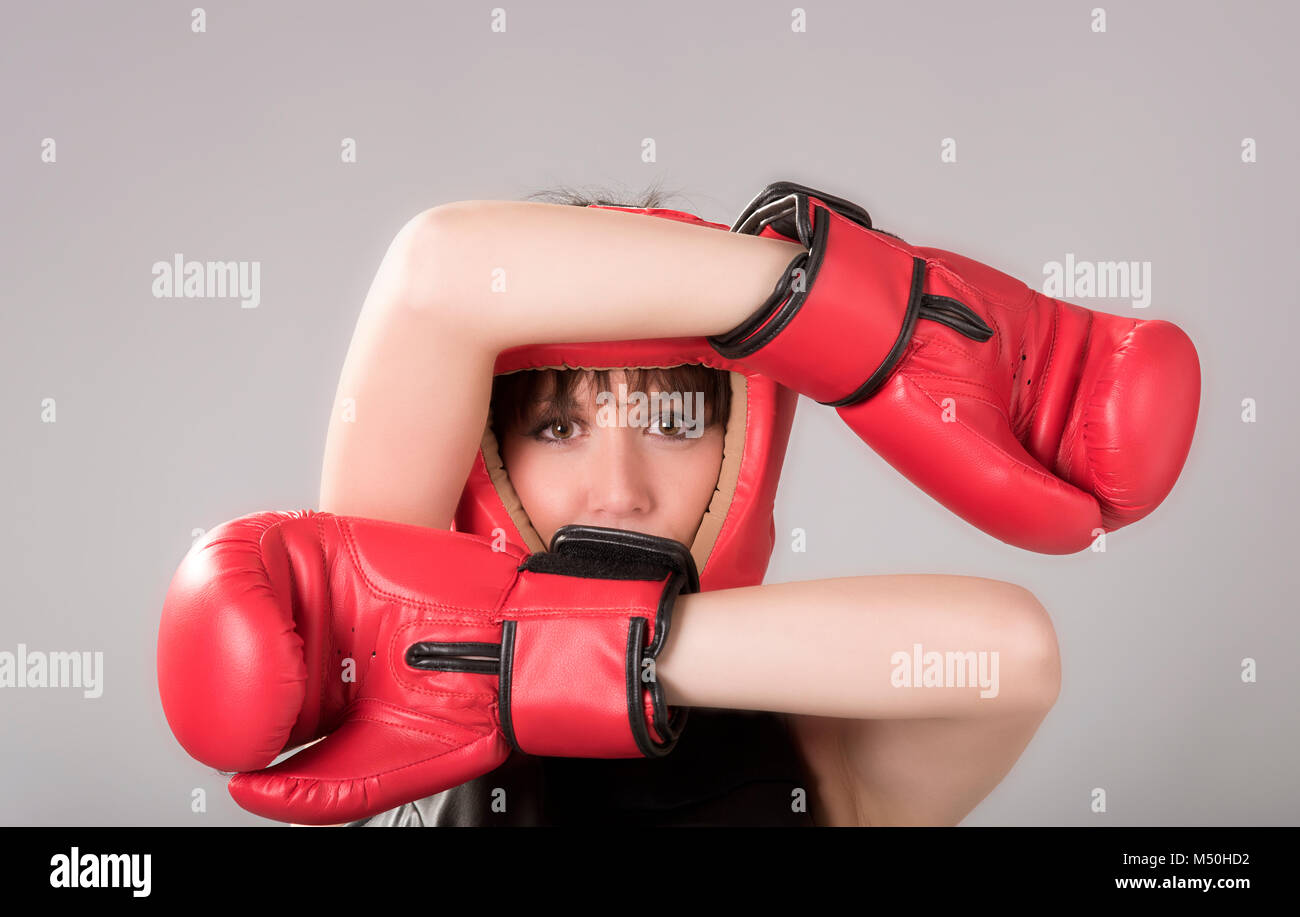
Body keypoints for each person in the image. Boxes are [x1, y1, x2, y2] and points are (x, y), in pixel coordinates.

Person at [317, 187, 1067, 826]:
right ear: (490, 455)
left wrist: (594, 651)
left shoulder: (824, 754)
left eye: (673, 423)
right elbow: (437, 271)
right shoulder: (398, 682)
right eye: (557, 427)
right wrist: (789, 284)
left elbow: (1019, 654)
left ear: (741, 448)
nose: (618, 491)